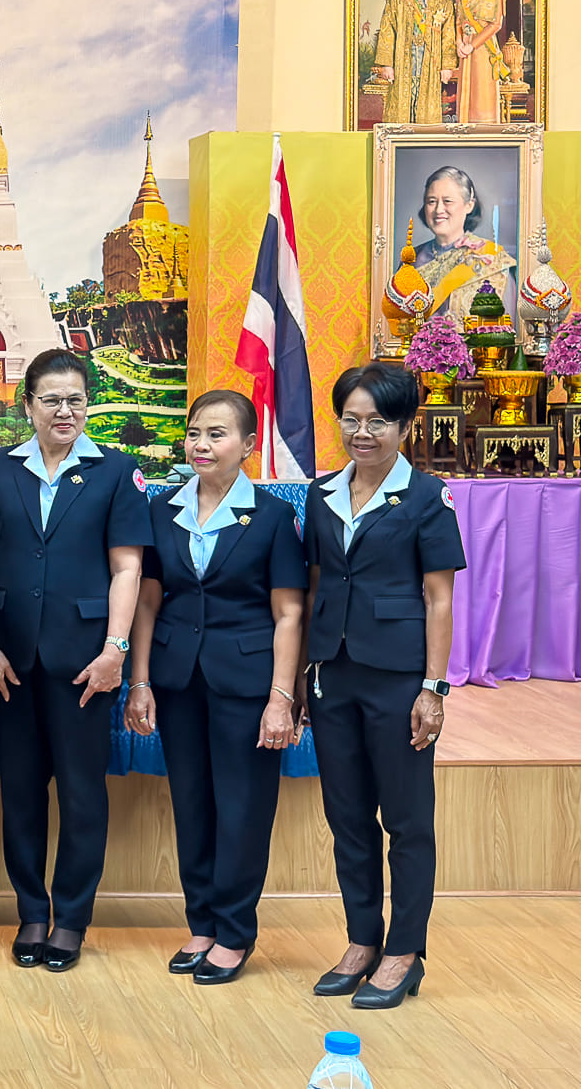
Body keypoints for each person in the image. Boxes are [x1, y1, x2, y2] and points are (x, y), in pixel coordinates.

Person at [0, 347, 151, 972]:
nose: (64, 411)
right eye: (51, 400)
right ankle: (31, 911)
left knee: (81, 794)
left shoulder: (116, 471)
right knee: (20, 792)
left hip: (86, 664)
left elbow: (127, 568)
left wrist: (115, 650)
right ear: (28, 406)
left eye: (76, 399)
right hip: (10, 659)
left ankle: (71, 918)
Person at [125, 390, 305, 985]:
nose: (201, 445)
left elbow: (288, 613)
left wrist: (282, 698)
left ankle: (234, 931)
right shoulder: (162, 510)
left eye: (217, 434)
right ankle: (201, 923)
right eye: (195, 433)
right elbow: (148, 602)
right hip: (178, 679)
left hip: (247, 684)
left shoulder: (273, 517)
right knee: (193, 804)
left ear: (248, 444)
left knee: (243, 809)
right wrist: (140, 681)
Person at [305, 362, 465, 1010]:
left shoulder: (428, 496)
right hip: (332, 674)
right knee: (346, 816)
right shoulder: (320, 492)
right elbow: (317, 584)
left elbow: (439, 597)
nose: (362, 432)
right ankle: (362, 940)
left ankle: (404, 950)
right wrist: (303, 672)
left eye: (377, 420)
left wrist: (434, 687)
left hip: (398, 678)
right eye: (351, 419)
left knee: (406, 819)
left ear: (404, 426)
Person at [411, 165, 517, 323]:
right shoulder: (412, 259)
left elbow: (507, 328)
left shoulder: (491, 259)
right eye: (431, 201)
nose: (439, 210)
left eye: (447, 201)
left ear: (469, 205)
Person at [372, 0, 455, 125]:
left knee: (427, 112)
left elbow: (449, 33)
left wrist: (447, 66)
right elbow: (387, 30)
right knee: (401, 111)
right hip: (403, 61)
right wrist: (387, 64)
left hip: (430, 63)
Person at [452, 0, 507, 125]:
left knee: (483, 92)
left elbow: (496, 24)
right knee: (467, 93)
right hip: (465, 49)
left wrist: (472, 45)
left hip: (484, 48)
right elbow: (458, 22)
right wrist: (459, 43)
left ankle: (486, 131)